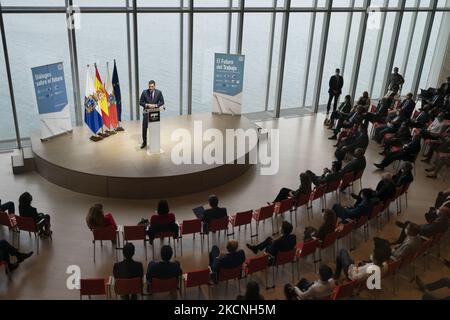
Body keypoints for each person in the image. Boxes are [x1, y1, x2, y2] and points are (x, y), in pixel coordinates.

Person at [139, 80, 165, 149]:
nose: (150, 88)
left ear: (155, 86)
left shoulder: (159, 92)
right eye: (149, 86)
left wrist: (156, 105)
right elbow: (140, 102)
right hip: (146, 114)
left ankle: (155, 143)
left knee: (154, 129)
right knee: (144, 128)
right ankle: (144, 142)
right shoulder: (144, 92)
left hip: (155, 113)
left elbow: (162, 102)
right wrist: (147, 105)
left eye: (152, 86)